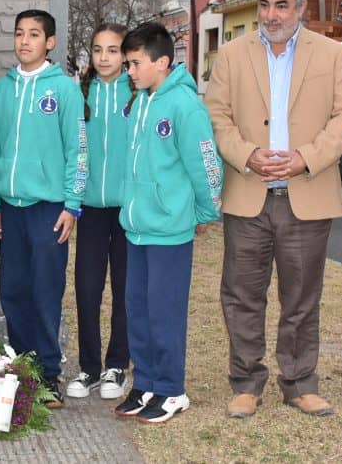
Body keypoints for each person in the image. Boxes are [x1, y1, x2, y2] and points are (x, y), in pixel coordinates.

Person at [204, 0, 342, 419]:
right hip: (247, 193)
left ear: (301, 7)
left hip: (306, 194)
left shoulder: (333, 55)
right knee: (241, 294)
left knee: (302, 298)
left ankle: (299, 382)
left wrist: (306, 158)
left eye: (281, 5)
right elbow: (216, 118)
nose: (271, 15)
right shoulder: (231, 55)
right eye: (265, 5)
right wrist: (248, 154)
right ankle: (246, 382)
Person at [113, 22, 223, 424]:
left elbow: (206, 164)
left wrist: (206, 212)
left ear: (162, 62)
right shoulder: (141, 101)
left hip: (170, 231)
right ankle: (144, 383)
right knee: (137, 310)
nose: (130, 71)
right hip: (137, 228)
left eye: (135, 63)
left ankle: (171, 389)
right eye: (127, 64)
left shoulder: (184, 105)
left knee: (164, 312)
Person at [0, 9, 87, 408]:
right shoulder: (1, 89)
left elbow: (77, 152)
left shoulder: (63, 90)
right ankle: (22, 368)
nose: (24, 41)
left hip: (49, 209)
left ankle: (48, 373)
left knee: (45, 291)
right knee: (13, 289)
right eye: (19, 34)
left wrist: (72, 205)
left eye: (34, 34)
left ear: (50, 42)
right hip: (10, 206)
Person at [66, 22, 132, 401]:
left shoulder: (137, 94)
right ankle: (89, 367)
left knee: (124, 290)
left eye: (112, 50)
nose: (104, 57)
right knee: (87, 289)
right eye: (98, 50)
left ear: (124, 55)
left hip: (126, 210)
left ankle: (116, 365)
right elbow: (74, 149)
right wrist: (72, 200)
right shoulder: (81, 93)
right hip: (90, 209)